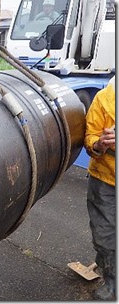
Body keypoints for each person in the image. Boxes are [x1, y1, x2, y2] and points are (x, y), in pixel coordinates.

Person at [84, 75, 115, 300]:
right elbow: (91, 137)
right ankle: (113, 279)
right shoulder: (104, 99)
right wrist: (99, 144)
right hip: (105, 179)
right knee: (104, 234)